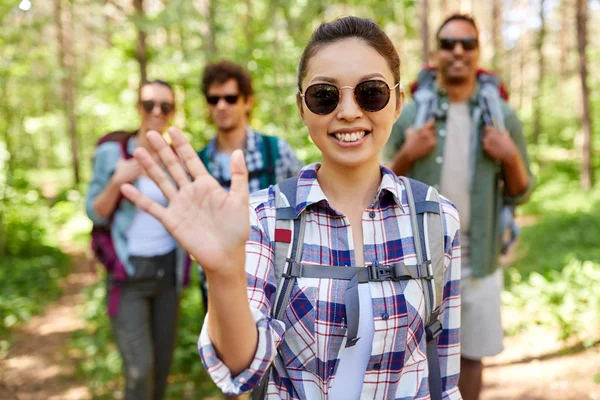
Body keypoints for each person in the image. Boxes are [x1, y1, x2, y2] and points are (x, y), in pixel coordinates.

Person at [121, 17, 462, 399]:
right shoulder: (263, 219)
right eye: (324, 95)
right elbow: (240, 368)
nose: (348, 111)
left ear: (399, 101)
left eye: (370, 92)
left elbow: (444, 377)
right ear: (302, 108)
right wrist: (222, 271)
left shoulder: (434, 217)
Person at [385, 14, 534, 400]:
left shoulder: (502, 118)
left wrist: (510, 155)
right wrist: (408, 152)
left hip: (479, 259)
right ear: (435, 53)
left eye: (467, 44)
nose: (458, 52)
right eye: (449, 43)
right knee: (411, 355)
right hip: (416, 259)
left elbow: (521, 191)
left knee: (471, 356)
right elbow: (375, 185)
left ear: (478, 52)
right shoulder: (409, 114)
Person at [85, 80, 189, 400]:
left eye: (165, 106)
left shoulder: (178, 159)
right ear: (137, 108)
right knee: (139, 370)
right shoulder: (111, 153)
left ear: (173, 113)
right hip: (128, 275)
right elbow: (96, 214)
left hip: (167, 273)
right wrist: (118, 179)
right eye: (149, 105)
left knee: (160, 371)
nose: (157, 112)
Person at [196, 60, 303, 310]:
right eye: (214, 99)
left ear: (247, 101)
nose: (222, 105)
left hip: (274, 283)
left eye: (230, 98)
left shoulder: (276, 151)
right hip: (216, 283)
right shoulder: (198, 163)